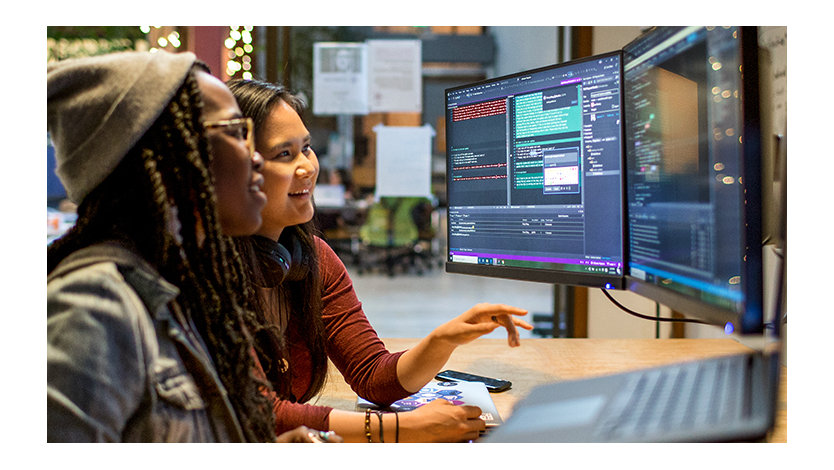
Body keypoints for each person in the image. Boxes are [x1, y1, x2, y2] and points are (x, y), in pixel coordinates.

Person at [46, 51, 333, 443]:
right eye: (235, 132)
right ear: (168, 159)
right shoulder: (95, 306)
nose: (255, 157)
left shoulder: (184, 290)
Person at [227, 78, 533, 443]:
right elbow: (259, 413)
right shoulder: (208, 274)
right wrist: (401, 429)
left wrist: (441, 340)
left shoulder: (313, 260)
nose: (307, 167)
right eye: (284, 154)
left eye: (306, 148)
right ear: (236, 173)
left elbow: (372, 376)